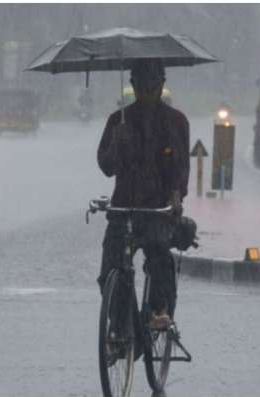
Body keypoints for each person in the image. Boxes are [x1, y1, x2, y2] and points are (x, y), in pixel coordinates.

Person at [96, 59, 190, 329]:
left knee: (159, 256)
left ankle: (158, 311)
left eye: (153, 86)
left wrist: (175, 197)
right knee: (111, 270)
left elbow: (181, 168)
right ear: (133, 86)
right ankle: (121, 325)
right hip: (123, 208)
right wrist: (117, 142)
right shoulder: (118, 121)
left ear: (162, 85)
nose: (148, 93)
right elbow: (106, 166)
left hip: (157, 210)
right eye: (141, 86)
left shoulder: (176, 122)